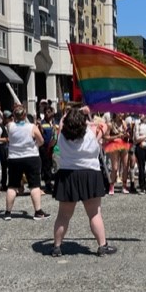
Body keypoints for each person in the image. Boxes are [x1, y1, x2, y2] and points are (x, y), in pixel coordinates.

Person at [51, 107, 116, 257]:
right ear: (83, 123)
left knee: (63, 215)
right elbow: (106, 125)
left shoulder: (61, 133)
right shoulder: (93, 132)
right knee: (94, 213)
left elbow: (62, 120)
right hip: (89, 173)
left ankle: (56, 247)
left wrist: (77, 112)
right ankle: (102, 246)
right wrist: (88, 116)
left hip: (67, 174)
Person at [4, 106, 50, 221]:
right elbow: (41, 141)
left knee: (12, 185)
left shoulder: (10, 126)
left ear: (14, 116)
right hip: (31, 157)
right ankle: (38, 212)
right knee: (34, 185)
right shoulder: (32, 127)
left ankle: (8, 212)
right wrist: (35, 145)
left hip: (14, 158)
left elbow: (10, 124)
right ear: (25, 116)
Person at [104, 112, 131, 195]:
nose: (121, 114)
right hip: (114, 145)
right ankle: (111, 186)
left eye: (122, 113)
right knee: (115, 167)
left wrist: (126, 135)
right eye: (119, 113)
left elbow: (128, 135)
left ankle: (124, 186)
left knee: (126, 166)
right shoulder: (110, 124)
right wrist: (117, 136)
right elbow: (106, 137)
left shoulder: (124, 123)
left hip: (124, 144)